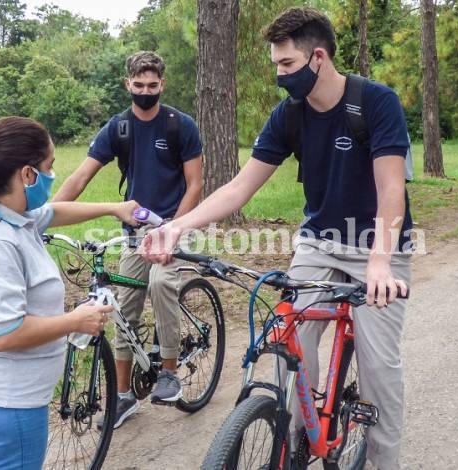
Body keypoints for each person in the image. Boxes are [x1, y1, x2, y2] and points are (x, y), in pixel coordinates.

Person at [142, 7, 411, 469]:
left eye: (286, 65)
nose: (280, 75)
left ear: (318, 58)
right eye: (276, 66)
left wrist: (380, 262)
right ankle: (298, 439)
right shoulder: (289, 115)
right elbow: (239, 187)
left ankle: (383, 462)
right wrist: (175, 226)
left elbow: (391, 189)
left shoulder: (374, 103)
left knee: (378, 371)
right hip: (318, 242)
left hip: (377, 246)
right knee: (291, 343)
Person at [0, 116, 140, 469]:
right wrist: (76, 320)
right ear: (27, 175)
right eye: (50, 167)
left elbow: (53, 211)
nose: (53, 175)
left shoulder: (11, 213)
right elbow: (3, 333)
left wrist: (114, 207)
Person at [52, 51, 203, 428]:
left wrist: (173, 229)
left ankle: (169, 371)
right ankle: (123, 396)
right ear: (128, 85)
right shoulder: (117, 129)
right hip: (135, 230)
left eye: (152, 86)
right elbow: (81, 177)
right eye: (139, 86)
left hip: (173, 224)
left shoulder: (180, 126)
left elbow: (196, 184)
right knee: (123, 304)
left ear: (162, 85)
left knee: (162, 282)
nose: (145, 92)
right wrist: (46, 213)